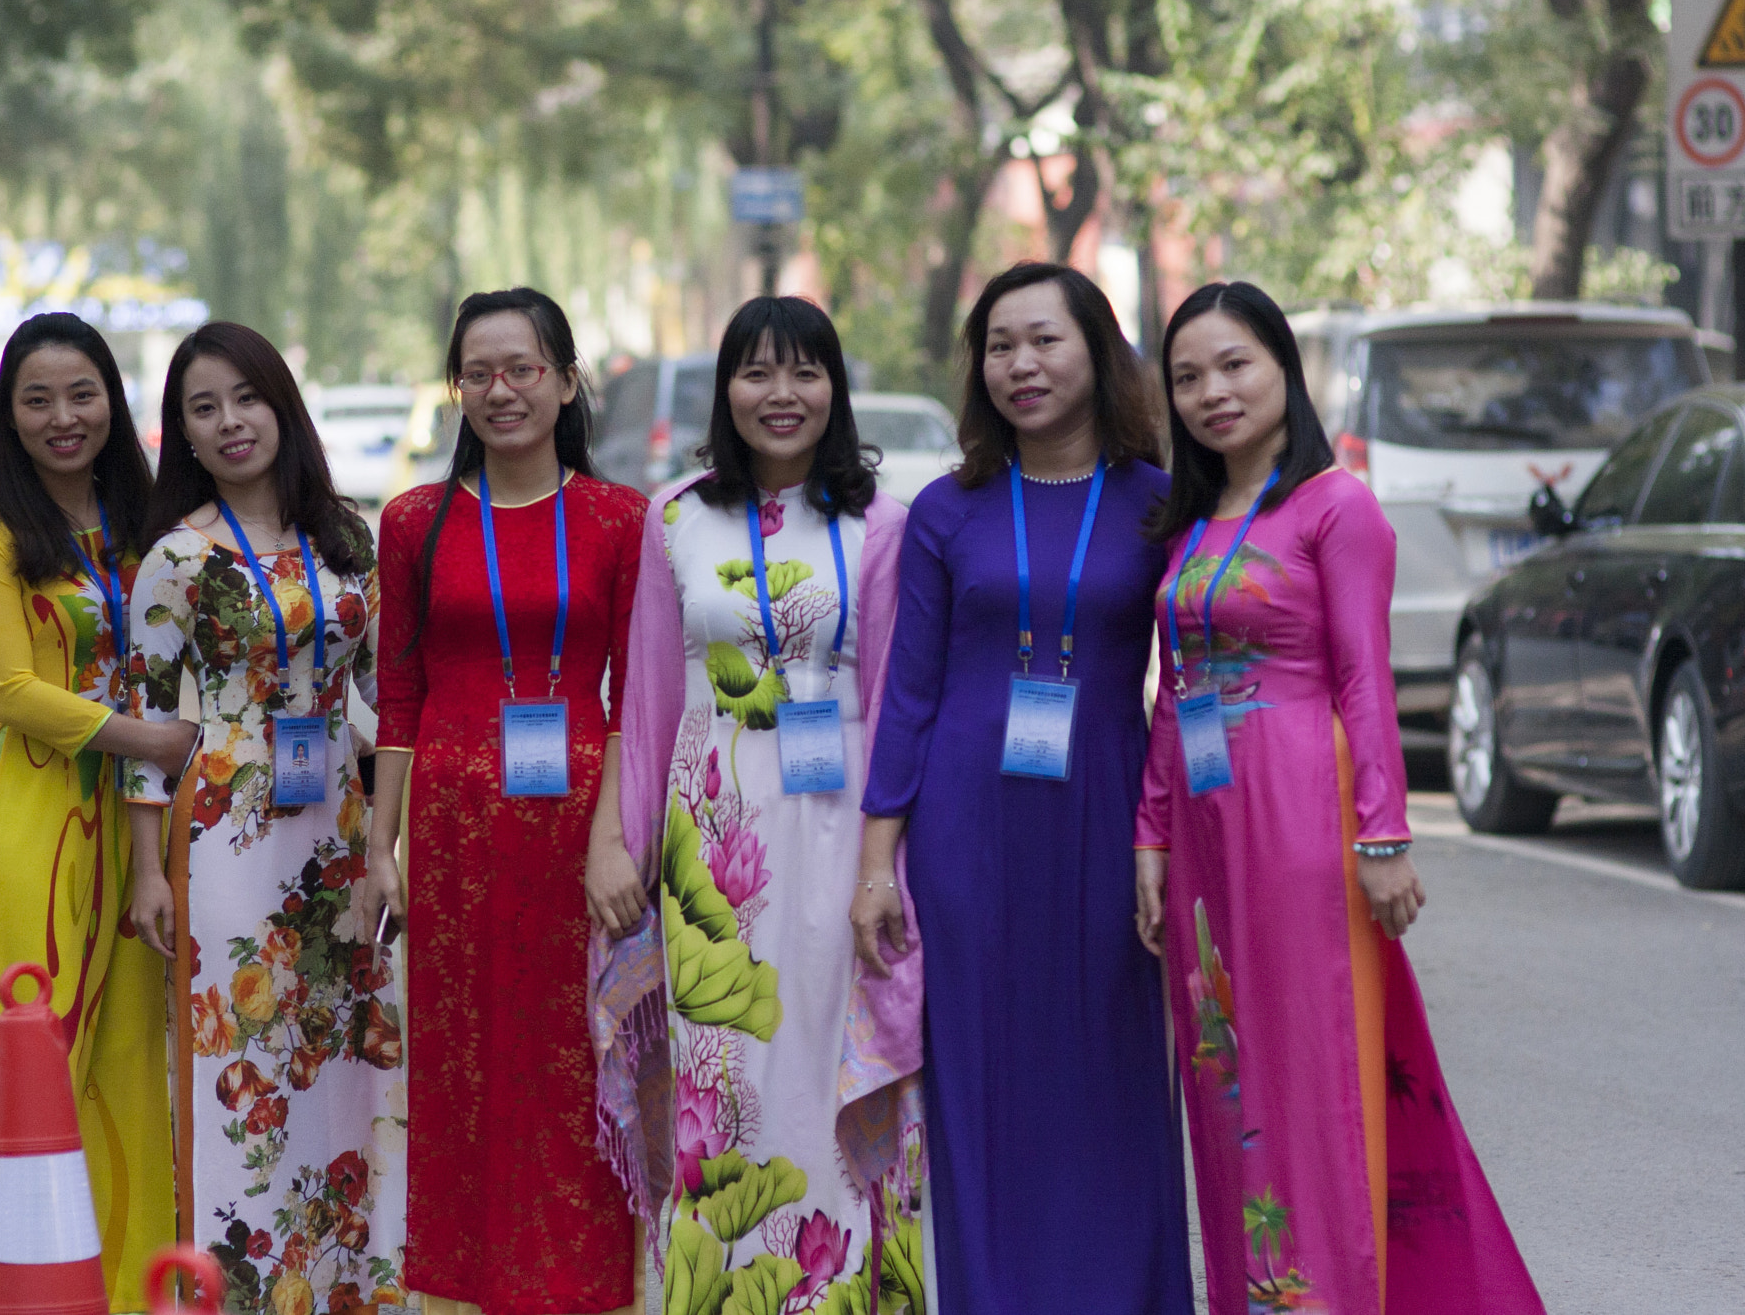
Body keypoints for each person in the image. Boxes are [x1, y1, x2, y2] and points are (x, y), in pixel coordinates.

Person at [1134, 281, 1545, 1315]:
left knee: (1310, 1082)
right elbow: (1170, 690)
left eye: (1233, 366)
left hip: (1296, 817)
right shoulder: (1192, 520)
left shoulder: (1333, 506)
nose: (1210, 393)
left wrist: (1382, 835)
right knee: (1225, 1081)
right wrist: (1149, 837)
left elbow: (1363, 680)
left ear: (1284, 368)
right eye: (1186, 377)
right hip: (1201, 838)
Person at [859, 262, 1193, 1311]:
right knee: (980, 1082)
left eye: (1043, 340)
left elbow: (1190, 683)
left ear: (1096, 350)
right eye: (999, 346)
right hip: (965, 829)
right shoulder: (944, 512)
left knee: (1106, 1073)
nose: (1020, 365)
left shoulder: (1158, 504)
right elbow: (906, 694)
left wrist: (1164, 836)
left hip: (1103, 819)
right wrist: (879, 861)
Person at [605, 296, 925, 1309]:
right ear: (724, 390)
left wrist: (889, 864)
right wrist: (620, 848)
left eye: (803, 372)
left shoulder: (884, 524)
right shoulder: (675, 518)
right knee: (722, 1082)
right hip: (713, 842)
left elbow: (896, 701)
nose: (780, 395)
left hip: (842, 839)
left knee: (831, 1060)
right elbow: (648, 701)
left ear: (835, 388)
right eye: (755, 372)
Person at [0, 313, 191, 1313]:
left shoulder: (153, 521)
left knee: (134, 1054)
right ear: (7, 417)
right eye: (37, 399)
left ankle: (132, 1274)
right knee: (35, 1050)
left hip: (148, 825)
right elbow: (13, 691)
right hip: (38, 819)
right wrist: (142, 737)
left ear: (114, 400)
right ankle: (16, 1278)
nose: (64, 418)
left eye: (82, 394)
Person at [370, 288, 647, 1315]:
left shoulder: (621, 519)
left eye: (523, 369)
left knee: (573, 1065)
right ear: (456, 391)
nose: (501, 391)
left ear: (566, 381)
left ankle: (584, 1289)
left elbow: (634, 691)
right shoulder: (413, 522)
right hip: (448, 835)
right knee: (462, 1068)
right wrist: (379, 846)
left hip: (579, 837)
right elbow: (399, 690)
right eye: (478, 373)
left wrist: (614, 837)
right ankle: (462, 1288)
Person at [123, 321, 409, 1313]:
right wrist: (149, 871)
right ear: (183, 433)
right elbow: (149, 725)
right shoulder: (174, 559)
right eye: (203, 407)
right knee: (242, 1062)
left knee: (350, 1057)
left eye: (245, 397)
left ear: (282, 404)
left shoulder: (348, 540)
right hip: (230, 841)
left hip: (339, 827)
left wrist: (391, 840)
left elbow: (392, 700)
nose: (229, 421)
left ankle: (348, 1288)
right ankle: (242, 1293)